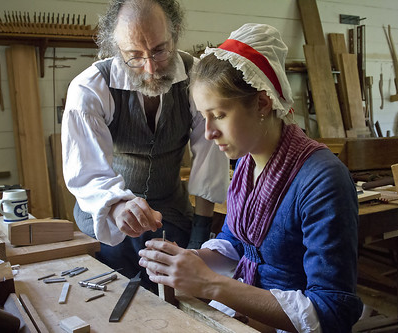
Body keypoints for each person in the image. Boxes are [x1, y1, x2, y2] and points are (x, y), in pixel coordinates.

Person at [138, 23, 363, 332]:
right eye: (204, 117)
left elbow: (332, 310)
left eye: (219, 115)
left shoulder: (322, 180)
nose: (208, 132)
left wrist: (210, 284)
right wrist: (189, 261)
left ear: (262, 102)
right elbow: (238, 242)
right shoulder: (246, 165)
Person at [61, 0, 229, 292]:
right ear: (115, 48)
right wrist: (118, 207)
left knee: (180, 293)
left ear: (175, 33)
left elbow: (210, 160)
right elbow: (87, 173)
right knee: (112, 289)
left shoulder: (196, 78)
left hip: (171, 211)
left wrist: (200, 235)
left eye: (160, 50)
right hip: (106, 214)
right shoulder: (89, 89)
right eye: (134, 56)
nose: (150, 68)